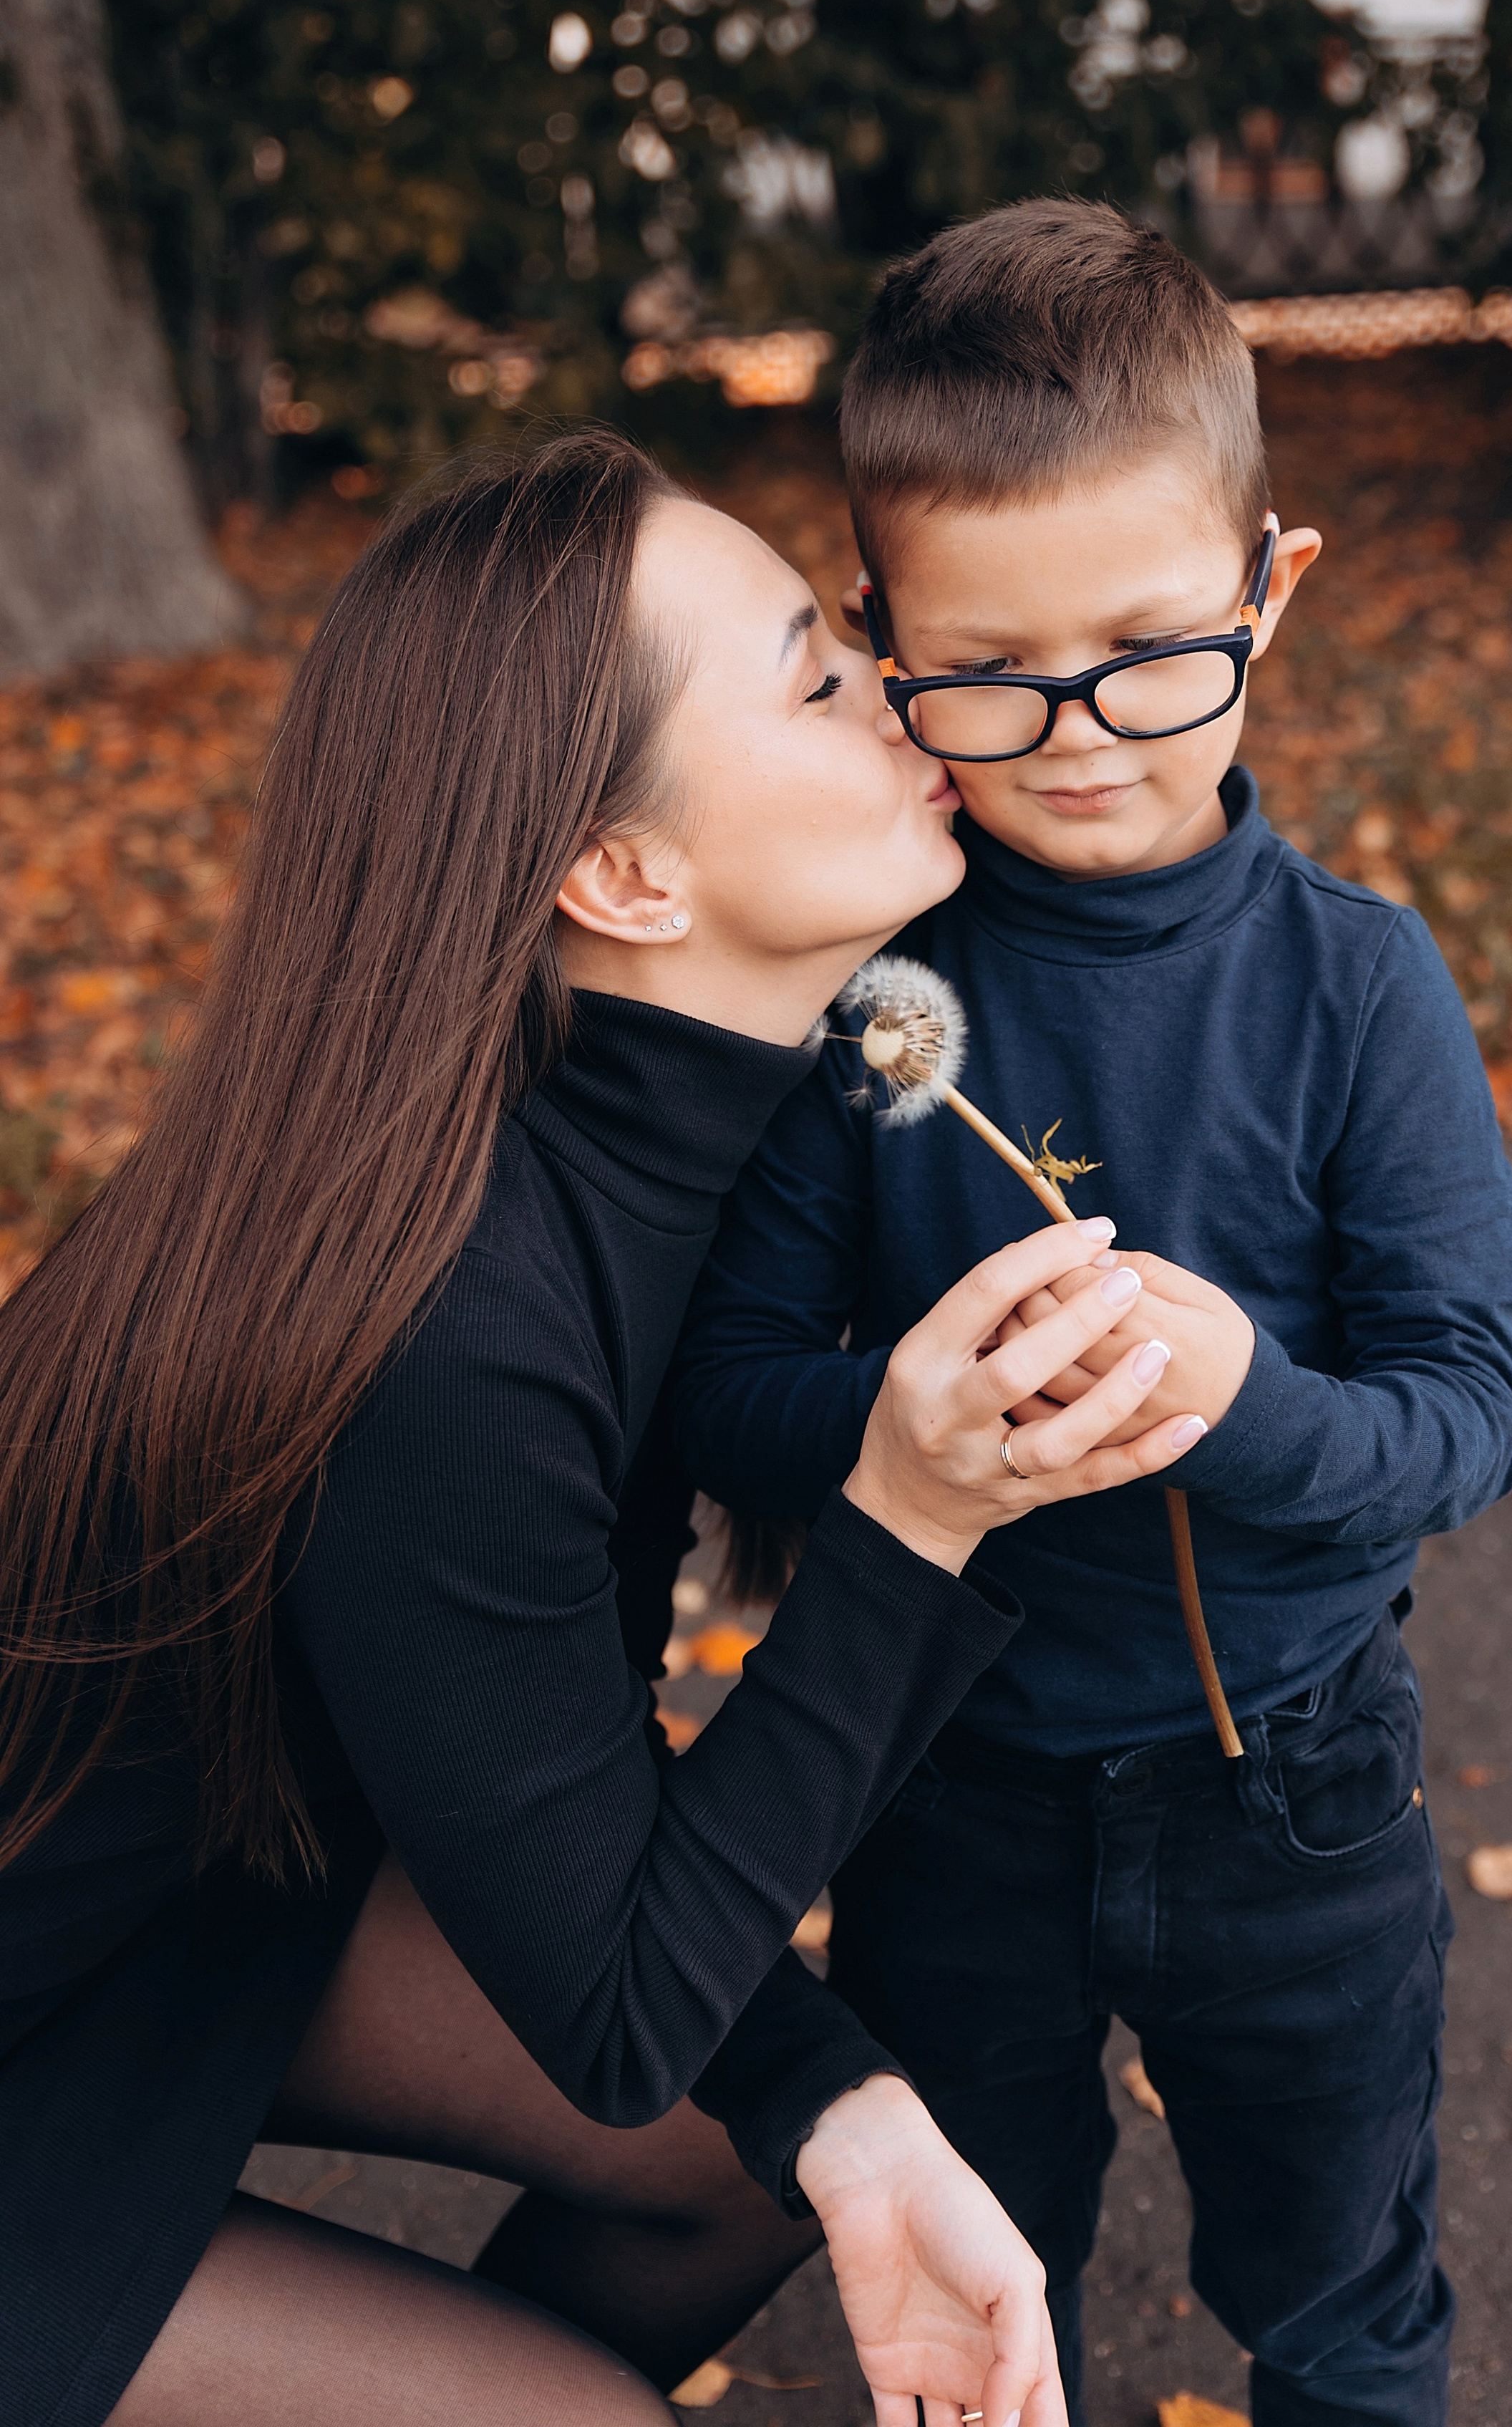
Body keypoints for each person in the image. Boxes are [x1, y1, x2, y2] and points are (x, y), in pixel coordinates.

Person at [0, 430, 1212, 2427]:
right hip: (50, 2044)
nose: (902, 693)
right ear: (621, 876)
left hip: (186, 1922)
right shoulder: (442, 1310)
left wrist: (851, 2108)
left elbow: (575, 1817)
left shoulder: (638, 1151)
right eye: (819, 677)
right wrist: (905, 1522)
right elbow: (625, 2002)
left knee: (774, 2156)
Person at [669, 203, 1512, 2427]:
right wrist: (907, 1430)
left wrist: (1242, 1402)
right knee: (986, 2281)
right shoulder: (875, 994)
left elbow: (1462, 1418)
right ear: (880, 646)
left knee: (1336, 2293)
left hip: (1301, 1789)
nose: (1072, 741)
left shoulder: (1360, 988)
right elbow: (735, 1392)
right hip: (947, 1784)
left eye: (1150, 656)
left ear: (1274, 594)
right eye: (985, 675)